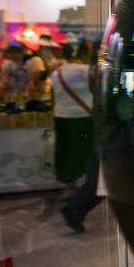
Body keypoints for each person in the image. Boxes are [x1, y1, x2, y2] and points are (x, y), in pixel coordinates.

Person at [50, 41, 95, 196]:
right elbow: (97, 89)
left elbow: (53, 97)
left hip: (61, 116)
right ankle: (88, 186)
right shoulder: (85, 70)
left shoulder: (56, 72)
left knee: (65, 152)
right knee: (84, 150)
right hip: (82, 117)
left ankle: (69, 187)